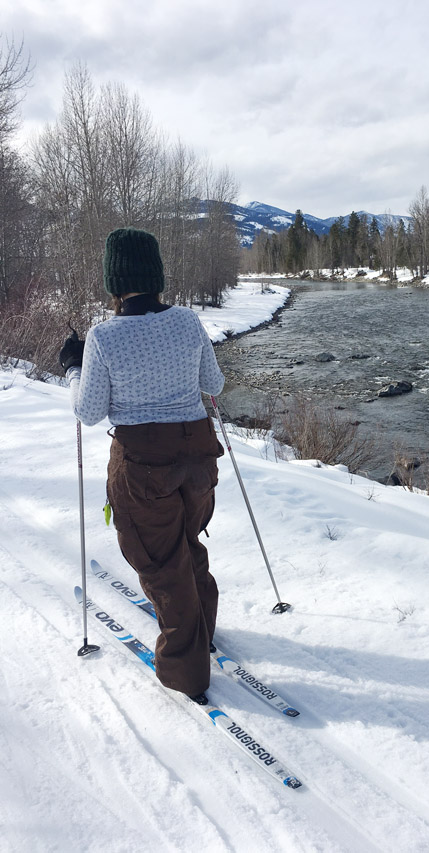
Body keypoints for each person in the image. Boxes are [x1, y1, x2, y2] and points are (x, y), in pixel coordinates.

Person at [59, 227, 225, 705]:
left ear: (114, 282)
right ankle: (202, 630)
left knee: (160, 562)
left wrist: (73, 368)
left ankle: (187, 673)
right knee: (186, 543)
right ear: (157, 276)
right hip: (198, 455)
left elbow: (88, 412)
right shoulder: (188, 323)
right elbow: (213, 383)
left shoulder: (104, 337)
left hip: (142, 464)